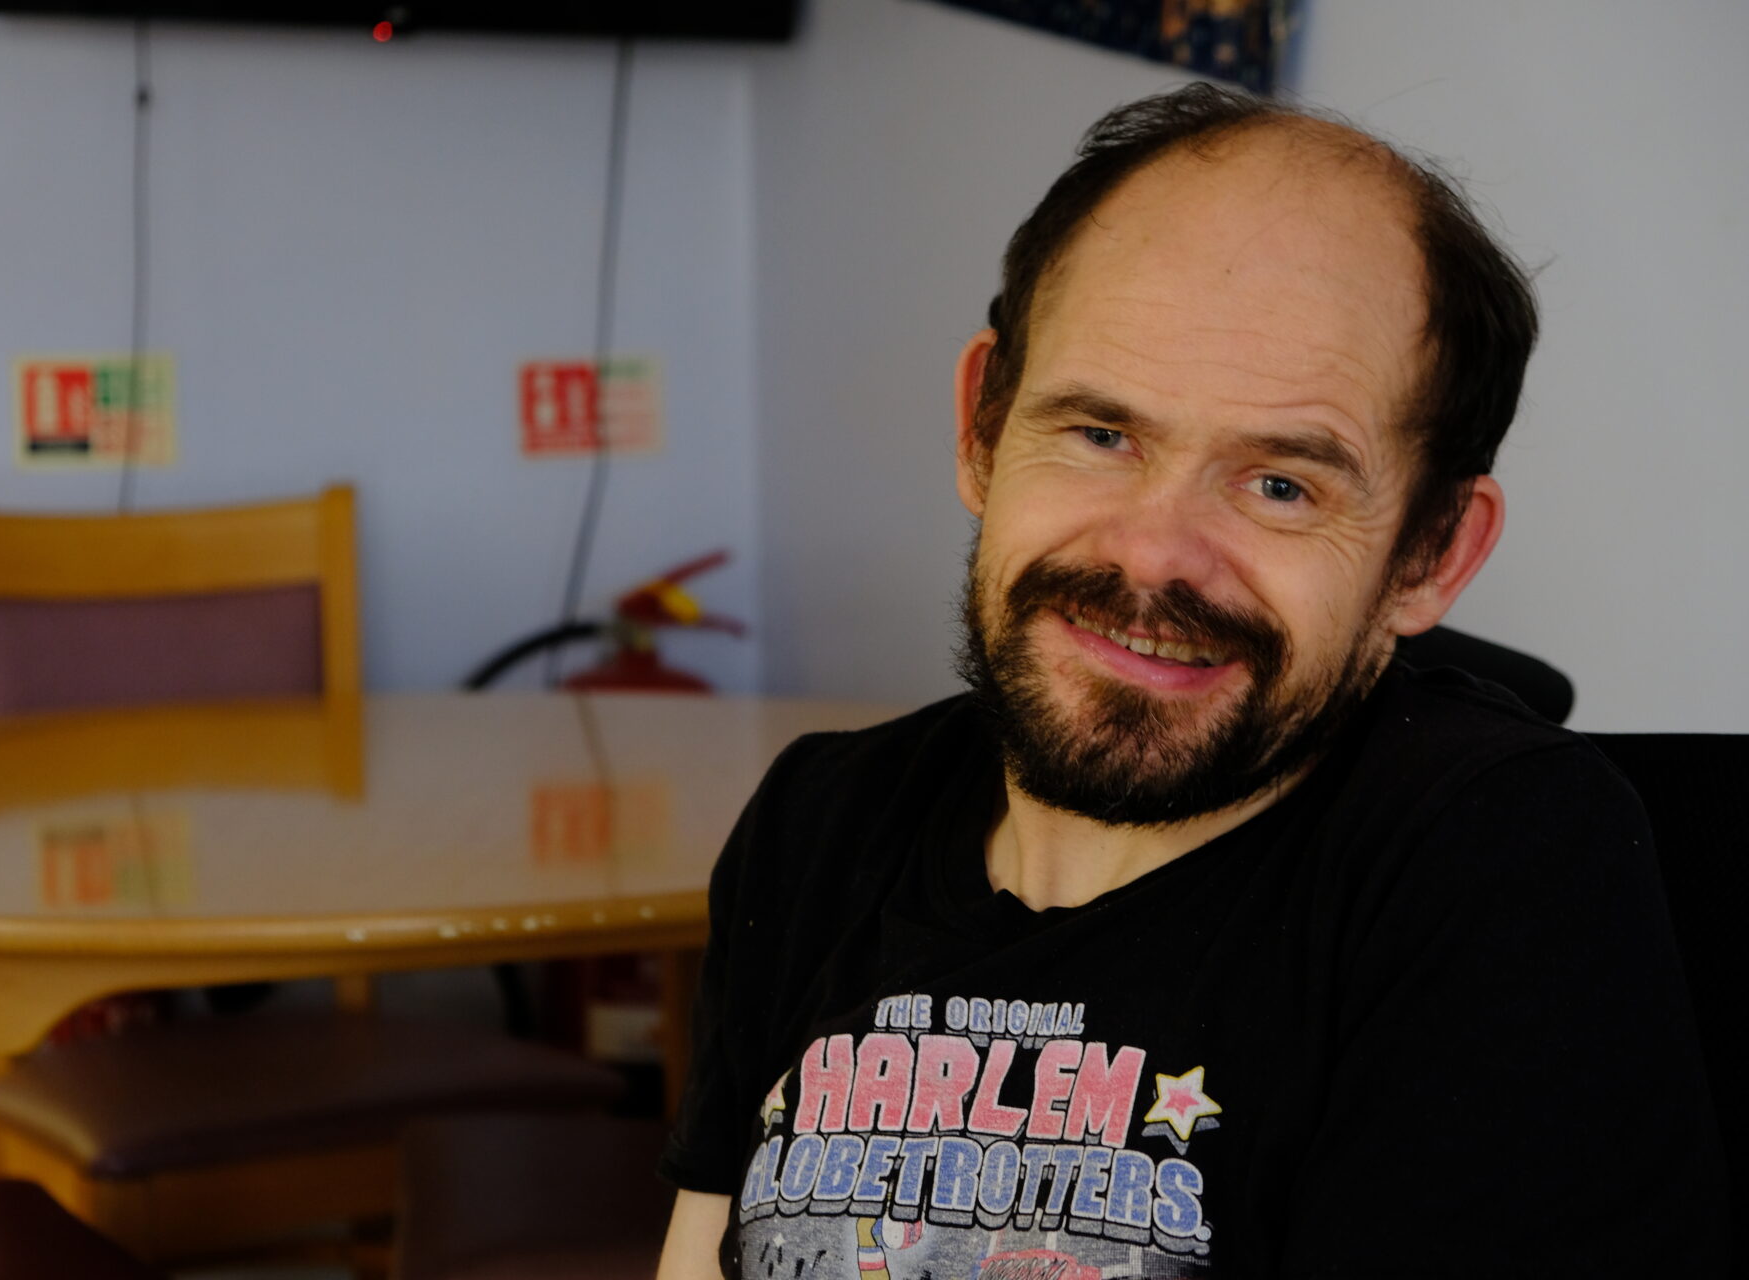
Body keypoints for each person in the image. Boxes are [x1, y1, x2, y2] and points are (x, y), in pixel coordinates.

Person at [655, 83, 1728, 1278]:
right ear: (982, 427)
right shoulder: (822, 821)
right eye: (1101, 434)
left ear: (1433, 555)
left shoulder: (1494, 862)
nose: (1154, 554)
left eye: (1281, 484)